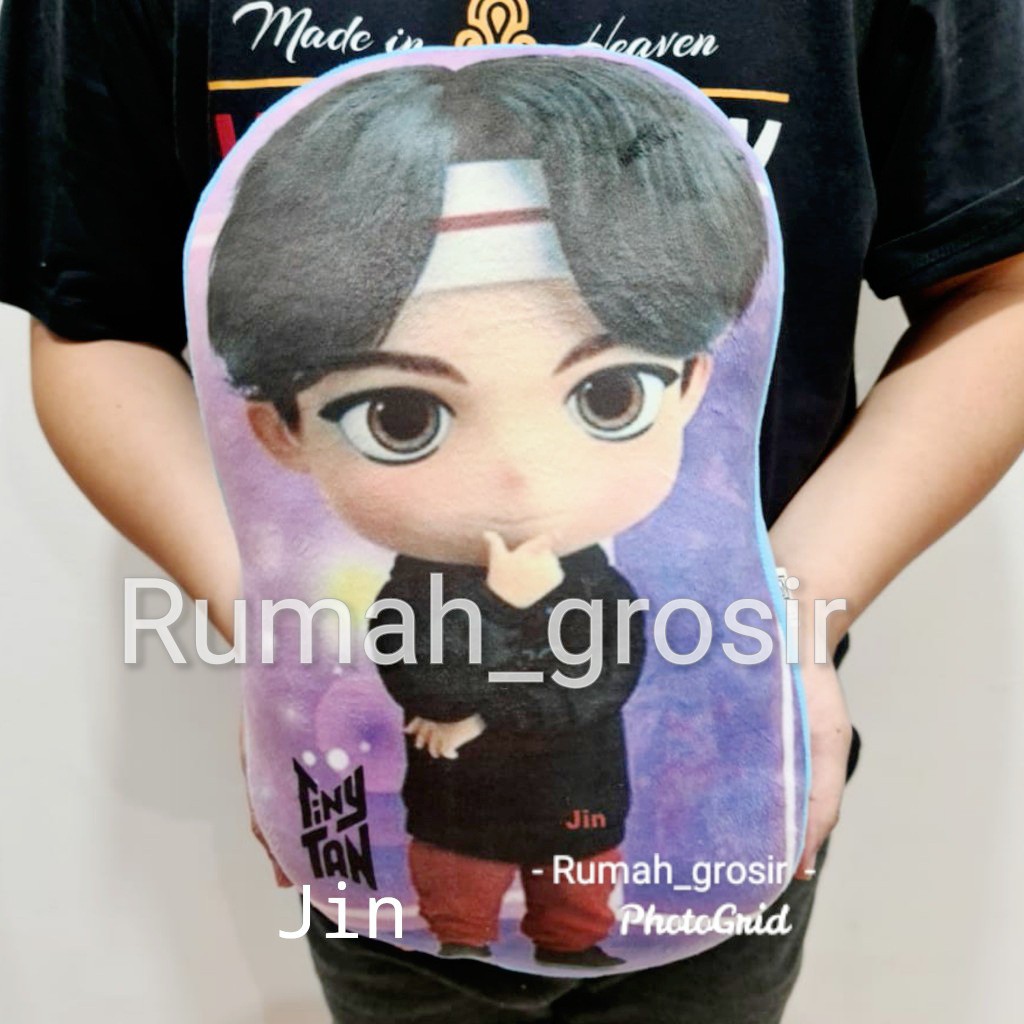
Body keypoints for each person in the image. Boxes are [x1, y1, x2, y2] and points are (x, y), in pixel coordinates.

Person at [2, 1, 1023, 1021]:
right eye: (399, 414)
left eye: (610, 393)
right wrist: (280, 630)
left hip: (716, 777)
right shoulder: (410, 598)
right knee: (449, 897)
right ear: (282, 425)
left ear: (689, 383)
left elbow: (997, 289)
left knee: (585, 903)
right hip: (398, 824)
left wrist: (783, 624)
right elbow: (91, 311)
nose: (520, 482)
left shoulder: (606, 601)